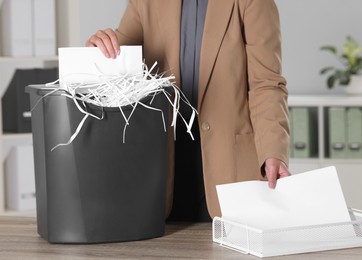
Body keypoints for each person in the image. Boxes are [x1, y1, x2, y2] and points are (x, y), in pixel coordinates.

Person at [86, 0, 291, 222]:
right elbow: (118, 66)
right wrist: (98, 49)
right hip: (162, 170)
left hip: (230, 168)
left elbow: (267, 85)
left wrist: (273, 150)